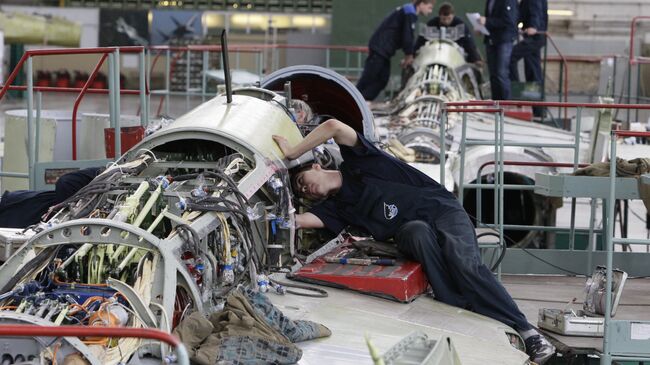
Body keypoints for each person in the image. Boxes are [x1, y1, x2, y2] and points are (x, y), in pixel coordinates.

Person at [272, 119, 556, 364]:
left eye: (302, 179)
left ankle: (527, 331)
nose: (305, 188)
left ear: (318, 166)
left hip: (443, 209)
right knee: (416, 233)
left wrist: (292, 151)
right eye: (302, 191)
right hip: (412, 230)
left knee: (464, 263)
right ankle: (456, 299)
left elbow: (333, 126)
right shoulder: (338, 209)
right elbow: (296, 221)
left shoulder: (361, 162)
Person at [356, 0, 435, 101]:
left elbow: (405, 35)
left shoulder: (407, 11)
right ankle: (354, 101)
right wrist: (409, 55)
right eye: (429, 7)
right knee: (369, 78)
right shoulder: (409, 13)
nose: (430, 11)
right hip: (380, 48)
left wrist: (408, 54)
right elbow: (407, 36)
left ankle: (363, 101)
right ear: (422, 3)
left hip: (384, 50)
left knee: (382, 79)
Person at [0, 167, 101, 228]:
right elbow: (65, 182)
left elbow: (66, 182)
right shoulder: (106, 174)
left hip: (25, 211)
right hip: (19, 209)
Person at [509, 0, 548, 118]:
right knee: (533, 71)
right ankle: (539, 110)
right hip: (533, 36)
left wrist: (533, 26)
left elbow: (535, 11)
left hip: (535, 36)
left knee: (511, 56)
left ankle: (516, 93)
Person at [414, 2, 483, 66]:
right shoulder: (431, 24)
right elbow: (420, 42)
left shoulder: (460, 25)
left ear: (453, 15)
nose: (446, 21)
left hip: (455, 57)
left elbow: (469, 44)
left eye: (449, 18)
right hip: (433, 56)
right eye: (444, 19)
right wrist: (412, 56)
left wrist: (476, 59)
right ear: (439, 16)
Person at [479, 0, 518, 100]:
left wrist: (487, 21)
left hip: (503, 40)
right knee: (493, 75)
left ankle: (507, 104)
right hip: (491, 39)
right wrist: (482, 27)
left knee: (502, 73)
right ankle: (496, 103)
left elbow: (509, 20)